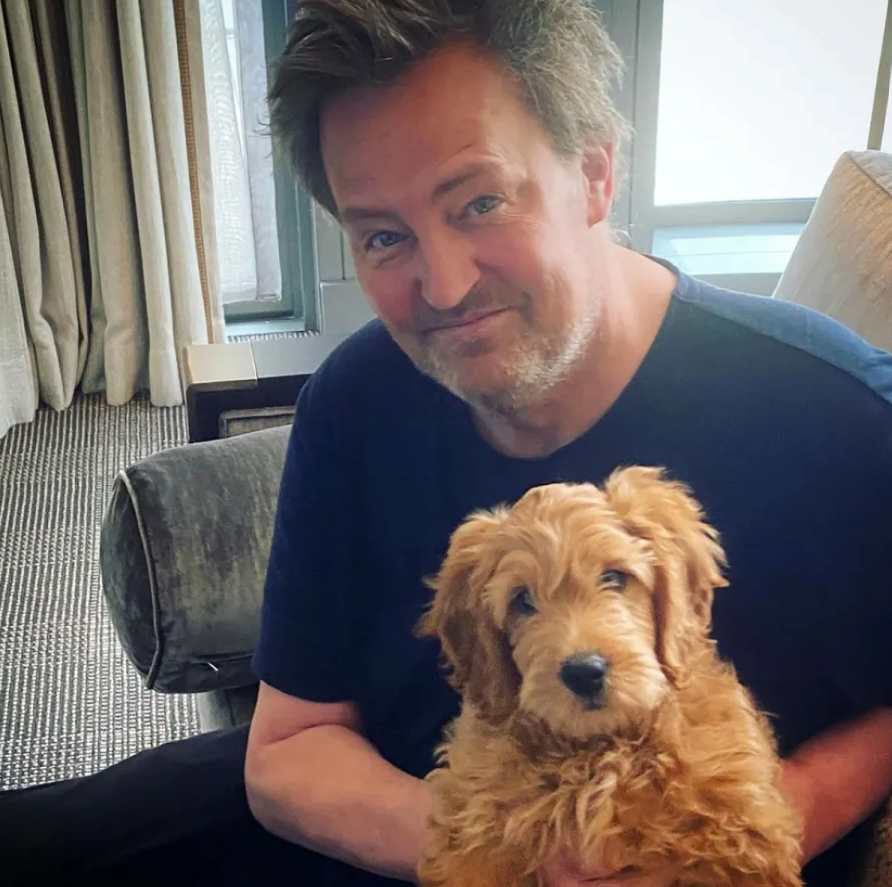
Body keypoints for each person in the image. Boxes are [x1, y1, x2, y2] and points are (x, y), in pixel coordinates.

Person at [2, 1, 892, 886]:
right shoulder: (355, 398)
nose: (445, 285)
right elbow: (289, 748)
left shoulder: (835, 415)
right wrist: (519, 859)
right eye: (384, 236)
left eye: (481, 202)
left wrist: (764, 820)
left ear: (593, 173)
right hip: (411, 811)